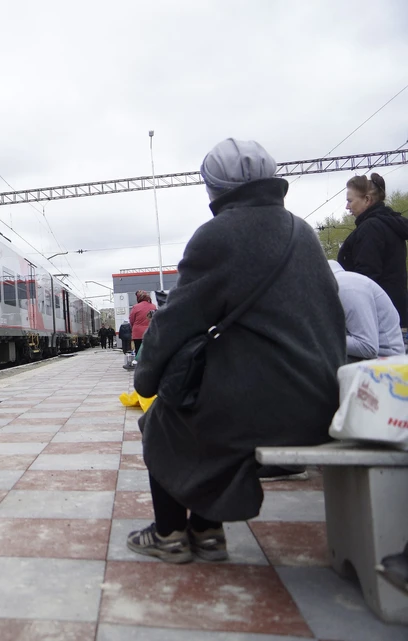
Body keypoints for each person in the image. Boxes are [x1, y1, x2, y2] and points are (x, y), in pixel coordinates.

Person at [127, 138, 345, 563]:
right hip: (325, 399)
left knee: (163, 418)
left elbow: (176, 321)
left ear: (213, 189)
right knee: (213, 410)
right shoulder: (301, 230)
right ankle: (207, 531)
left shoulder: (218, 235)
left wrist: (145, 377)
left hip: (274, 405)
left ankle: (170, 534)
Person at [337, 173, 408, 328]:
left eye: (350, 201)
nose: (347, 207)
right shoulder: (389, 225)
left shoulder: (371, 229)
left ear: (367, 200)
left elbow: (365, 279)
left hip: (377, 319)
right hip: (394, 312)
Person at [329, 259, 406, 363]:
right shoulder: (338, 285)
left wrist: (322, 337)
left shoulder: (345, 286)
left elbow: (367, 347)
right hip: (370, 360)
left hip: (385, 363)